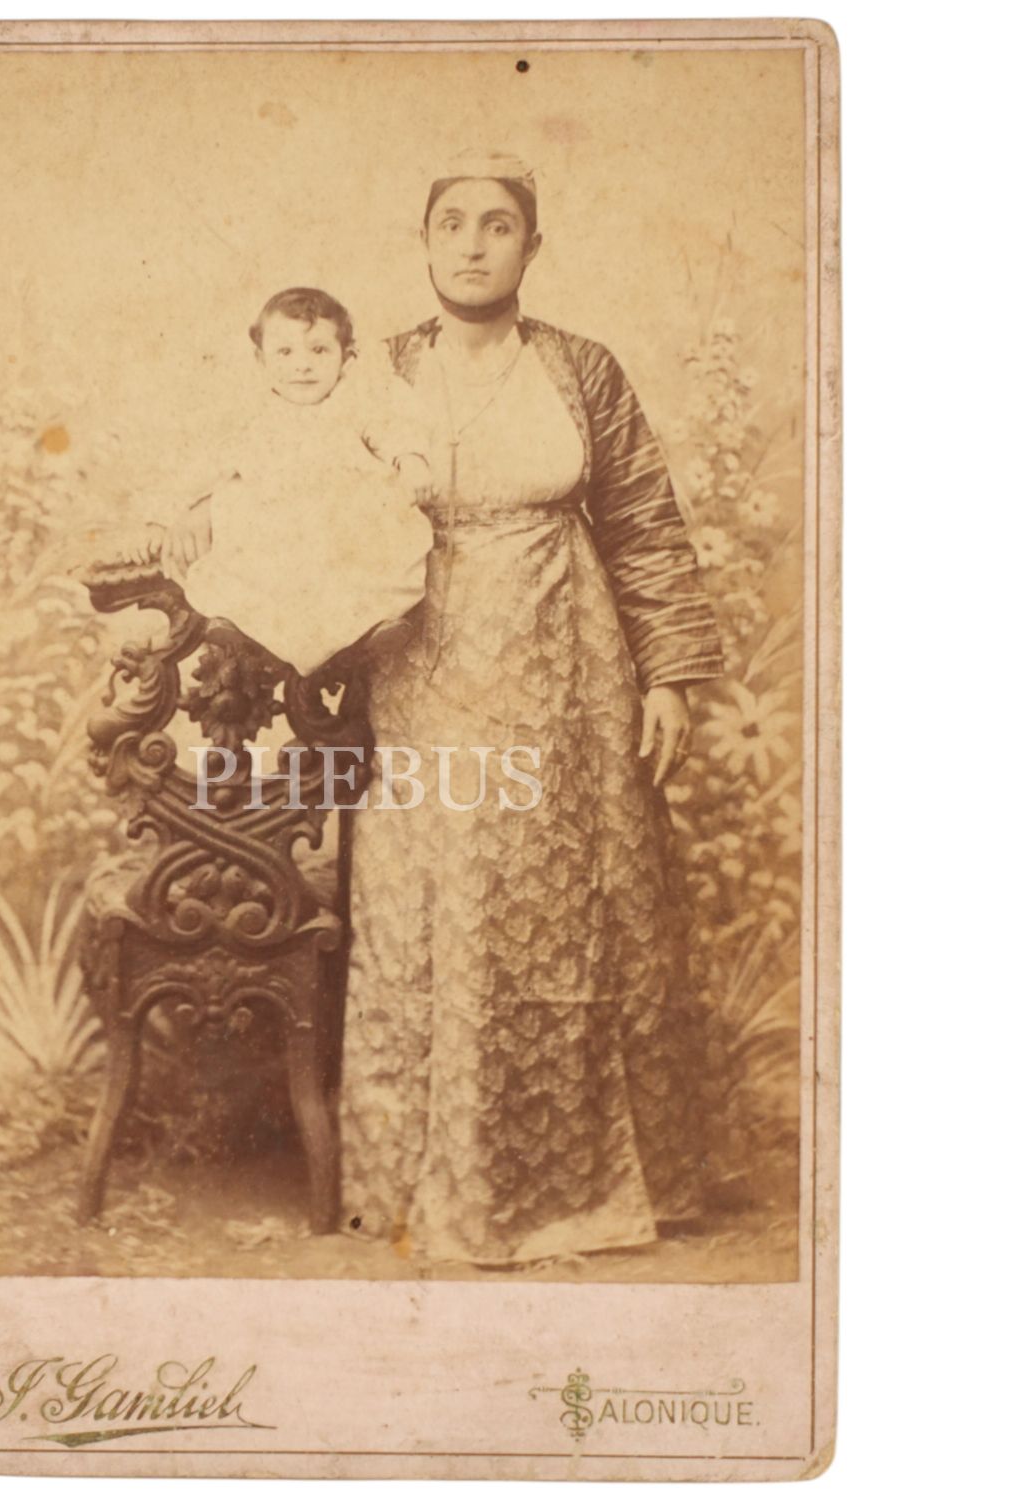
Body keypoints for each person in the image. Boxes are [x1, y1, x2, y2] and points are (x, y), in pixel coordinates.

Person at [331, 150, 728, 1266]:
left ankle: (586, 1189)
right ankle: (425, 1188)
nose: (472, 243)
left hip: (570, 674)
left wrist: (668, 676)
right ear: (423, 242)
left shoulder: (581, 369)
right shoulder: (380, 374)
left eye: (497, 224)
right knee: (436, 906)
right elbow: (302, 496)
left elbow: (643, 526)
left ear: (532, 246)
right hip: (421, 666)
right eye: (451, 222)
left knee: (574, 906)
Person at [172, 286, 435, 677]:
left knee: (375, 534)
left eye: (319, 351)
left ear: (346, 357)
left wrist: (409, 459)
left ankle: (374, 621)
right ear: (261, 360)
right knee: (240, 518)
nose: (303, 366)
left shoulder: (355, 400)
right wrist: (189, 505)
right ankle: (240, 618)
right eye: (285, 352)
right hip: (281, 533)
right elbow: (210, 462)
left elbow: (392, 426)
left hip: (342, 530)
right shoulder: (255, 413)